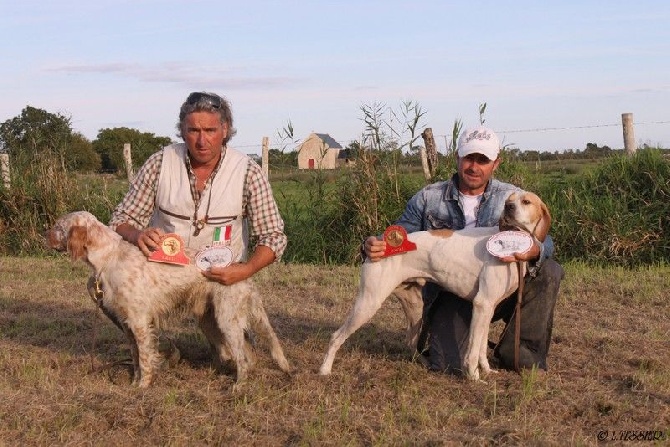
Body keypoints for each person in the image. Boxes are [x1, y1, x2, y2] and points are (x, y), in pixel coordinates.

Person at [363, 126, 564, 374]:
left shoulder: (511, 198)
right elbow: (400, 236)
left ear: (495, 164)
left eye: (483, 160)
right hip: (450, 292)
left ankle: (520, 352)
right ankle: (451, 339)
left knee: (549, 269)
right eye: (469, 158)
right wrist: (375, 244)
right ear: (457, 157)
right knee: (450, 365)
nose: (474, 166)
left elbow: (546, 240)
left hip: (502, 289)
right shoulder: (428, 197)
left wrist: (535, 250)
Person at [110, 91, 286, 285]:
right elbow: (121, 220)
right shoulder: (160, 163)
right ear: (183, 131)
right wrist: (137, 235)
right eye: (194, 130)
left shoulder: (248, 171)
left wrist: (246, 270)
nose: (202, 141)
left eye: (210, 130)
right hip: (164, 282)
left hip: (221, 282)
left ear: (225, 130)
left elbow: (273, 236)